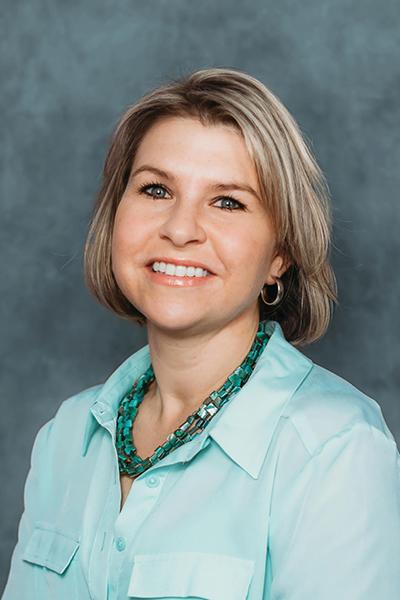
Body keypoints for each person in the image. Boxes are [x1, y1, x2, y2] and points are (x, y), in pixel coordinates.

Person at [2, 67, 399, 600]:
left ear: (279, 256)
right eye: (156, 189)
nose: (181, 228)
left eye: (227, 201)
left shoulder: (333, 449)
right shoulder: (65, 437)